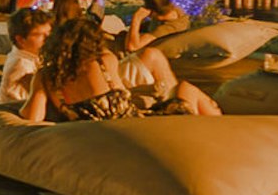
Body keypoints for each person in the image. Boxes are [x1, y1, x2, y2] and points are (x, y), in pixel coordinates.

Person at [21, 14, 221, 122]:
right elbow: (121, 94)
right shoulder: (105, 60)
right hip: (136, 129)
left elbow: (32, 117)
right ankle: (223, 133)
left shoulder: (46, 76)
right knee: (185, 89)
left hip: (100, 138)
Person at [0, 6, 53, 106]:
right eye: (39, 35)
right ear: (21, 40)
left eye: (48, 33)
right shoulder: (21, 65)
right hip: (18, 112)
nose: (47, 38)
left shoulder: (30, 56)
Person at [125, 0, 191, 52]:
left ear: (153, 12)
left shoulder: (166, 29)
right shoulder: (176, 11)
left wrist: (137, 18)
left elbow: (133, 47)